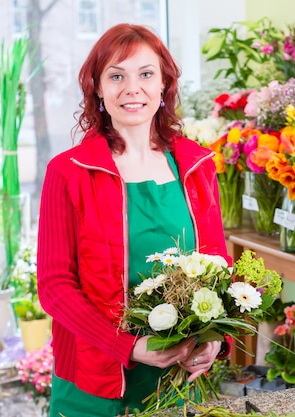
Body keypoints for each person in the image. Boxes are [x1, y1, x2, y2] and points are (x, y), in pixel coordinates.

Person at [37, 23, 231, 416]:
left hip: (178, 378)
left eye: (145, 74)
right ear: (98, 89)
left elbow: (219, 269)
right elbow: (55, 288)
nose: (132, 88)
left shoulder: (197, 166)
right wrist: (127, 347)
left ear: (164, 85)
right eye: (116, 76)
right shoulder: (69, 172)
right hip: (95, 381)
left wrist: (215, 341)